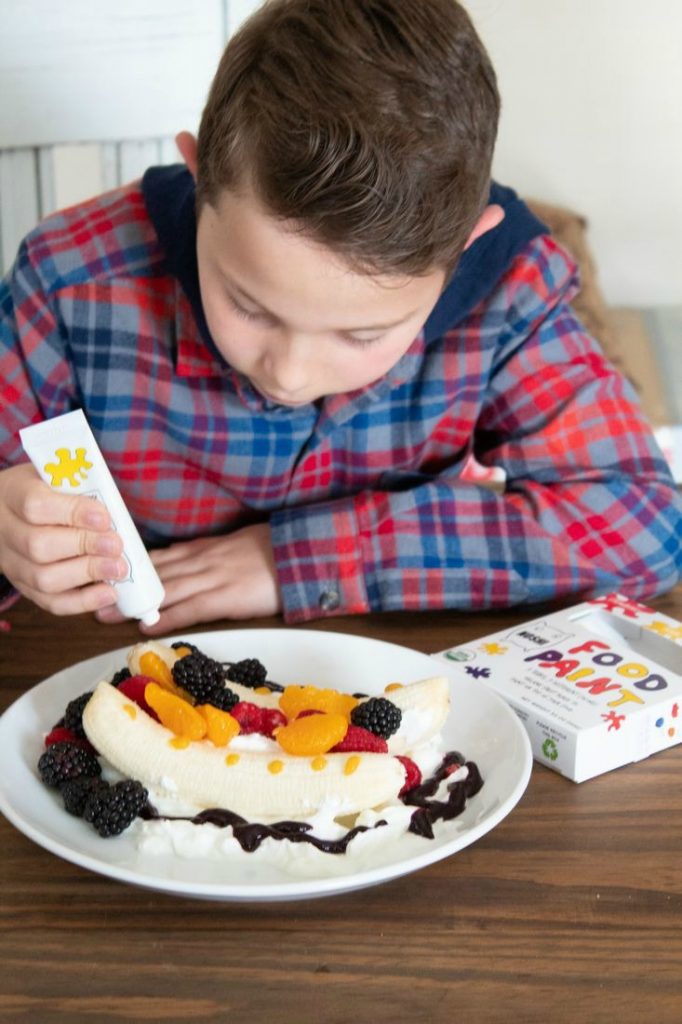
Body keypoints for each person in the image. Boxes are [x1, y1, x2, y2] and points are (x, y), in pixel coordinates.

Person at [0, 0, 680, 635]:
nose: (289, 375)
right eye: (248, 304)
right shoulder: (72, 281)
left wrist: (303, 558)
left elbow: (645, 524)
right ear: (200, 175)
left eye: (363, 334)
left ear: (465, 248)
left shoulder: (509, 290)